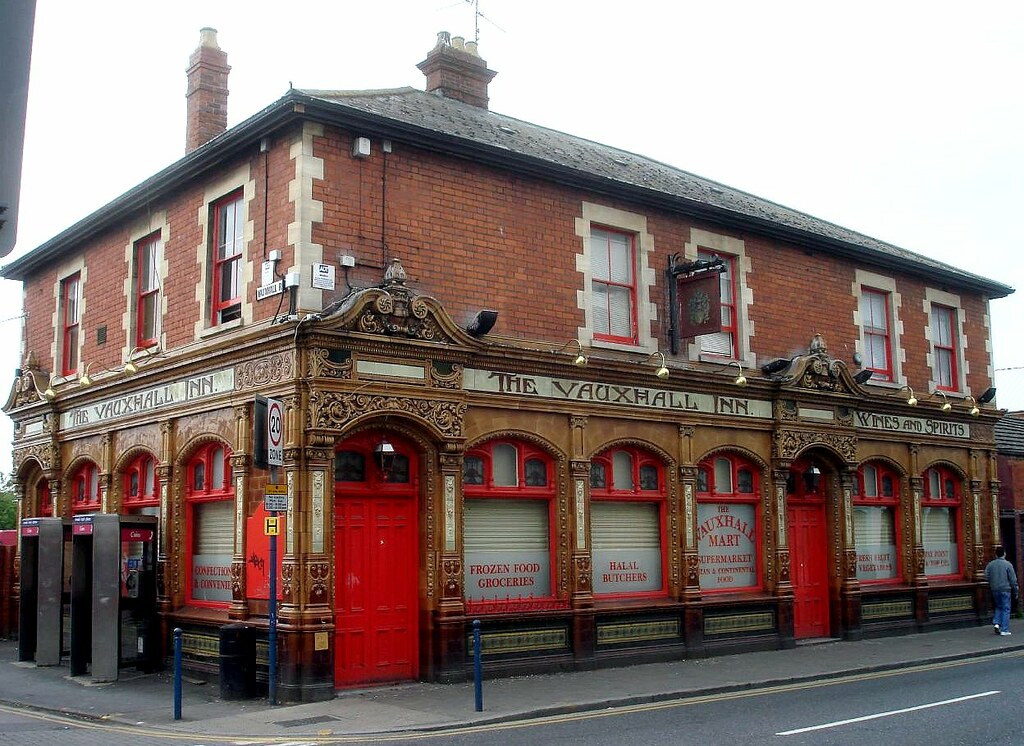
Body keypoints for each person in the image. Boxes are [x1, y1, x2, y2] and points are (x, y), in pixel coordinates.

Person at [984, 546, 1018, 636]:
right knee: (1006, 608)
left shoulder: (990, 564)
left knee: (998, 606)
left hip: (994, 589)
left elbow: (986, 576)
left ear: (996, 554)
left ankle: (996, 623)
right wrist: (1015, 590)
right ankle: (1005, 629)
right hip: (1005, 589)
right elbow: (1013, 579)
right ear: (1004, 553)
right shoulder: (1008, 564)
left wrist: (992, 582)